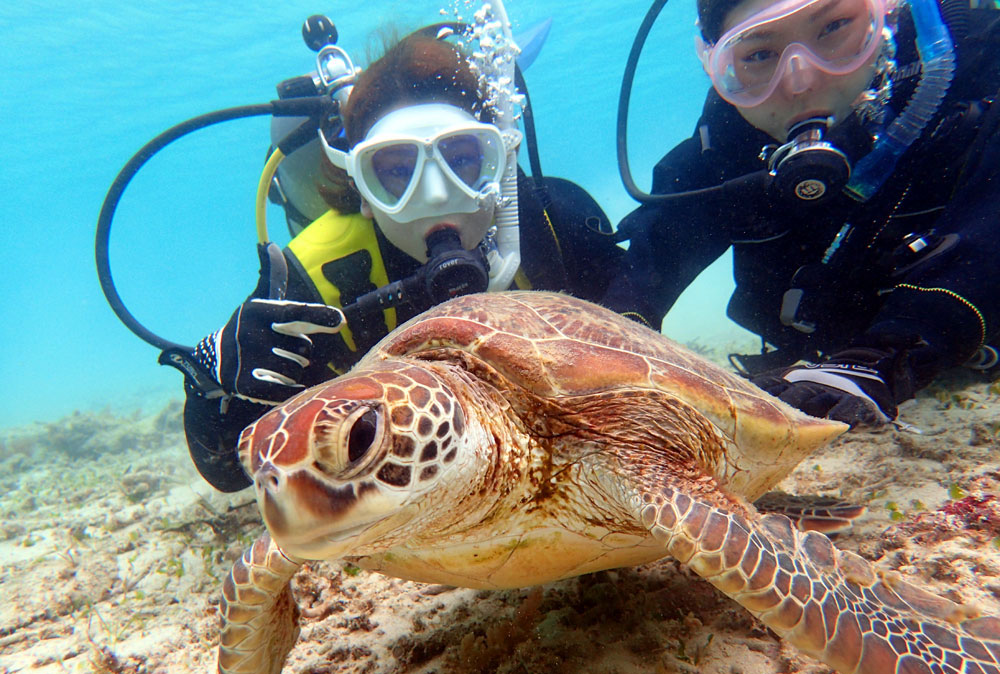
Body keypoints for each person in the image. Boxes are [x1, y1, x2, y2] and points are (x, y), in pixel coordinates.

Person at [181, 32, 622, 491]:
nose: (435, 194)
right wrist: (210, 381)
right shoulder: (319, 275)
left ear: (500, 162)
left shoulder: (554, 224)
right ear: (361, 187)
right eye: (396, 171)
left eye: (463, 159)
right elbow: (229, 471)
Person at [604, 0, 1000, 428]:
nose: (801, 80)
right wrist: (607, 346)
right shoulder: (722, 150)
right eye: (758, 54)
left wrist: (889, 351)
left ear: (886, 13)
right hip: (816, 358)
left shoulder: (978, 67)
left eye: (833, 27)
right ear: (716, 66)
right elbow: (650, 264)